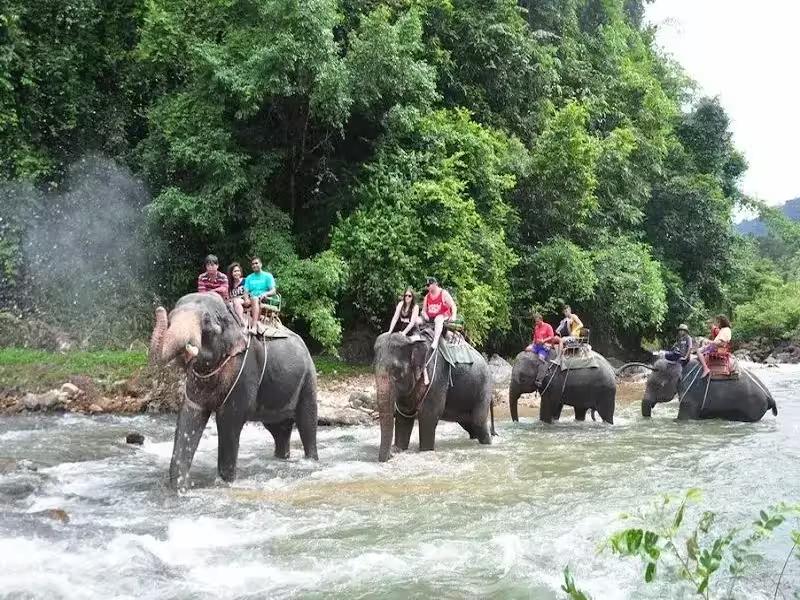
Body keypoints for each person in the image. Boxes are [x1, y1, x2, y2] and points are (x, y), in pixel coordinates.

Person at [525, 313, 560, 387]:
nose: (536, 323)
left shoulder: (548, 326)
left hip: (544, 346)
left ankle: (540, 378)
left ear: (541, 320)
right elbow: (535, 337)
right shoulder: (536, 327)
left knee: (541, 358)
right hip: (537, 345)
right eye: (536, 322)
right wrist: (532, 343)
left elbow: (551, 336)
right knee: (527, 349)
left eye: (537, 321)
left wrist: (543, 340)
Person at [422, 277, 457, 349]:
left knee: (438, 319)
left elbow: (453, 305)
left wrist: (453, 315)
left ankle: (435, 341)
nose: (427, 287)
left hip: (443, 315)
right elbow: (423, 310)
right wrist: (425, 315)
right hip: (430, 317)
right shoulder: (427, 296)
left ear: (435, 284)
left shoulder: (443, 293)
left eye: (428, 285)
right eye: (426, 285)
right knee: (417, 320)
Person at [244, 257, 276, 331]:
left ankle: (254, 327)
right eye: (253, 264)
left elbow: (273, 290)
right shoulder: (249, 277)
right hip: (251, 299)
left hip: (263, 299)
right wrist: (246, 299)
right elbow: (245, 291)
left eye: (256, 263)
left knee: (255, 298)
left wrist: (266, 294)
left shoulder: (268, 276)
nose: (254, 265)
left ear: (261, 264)